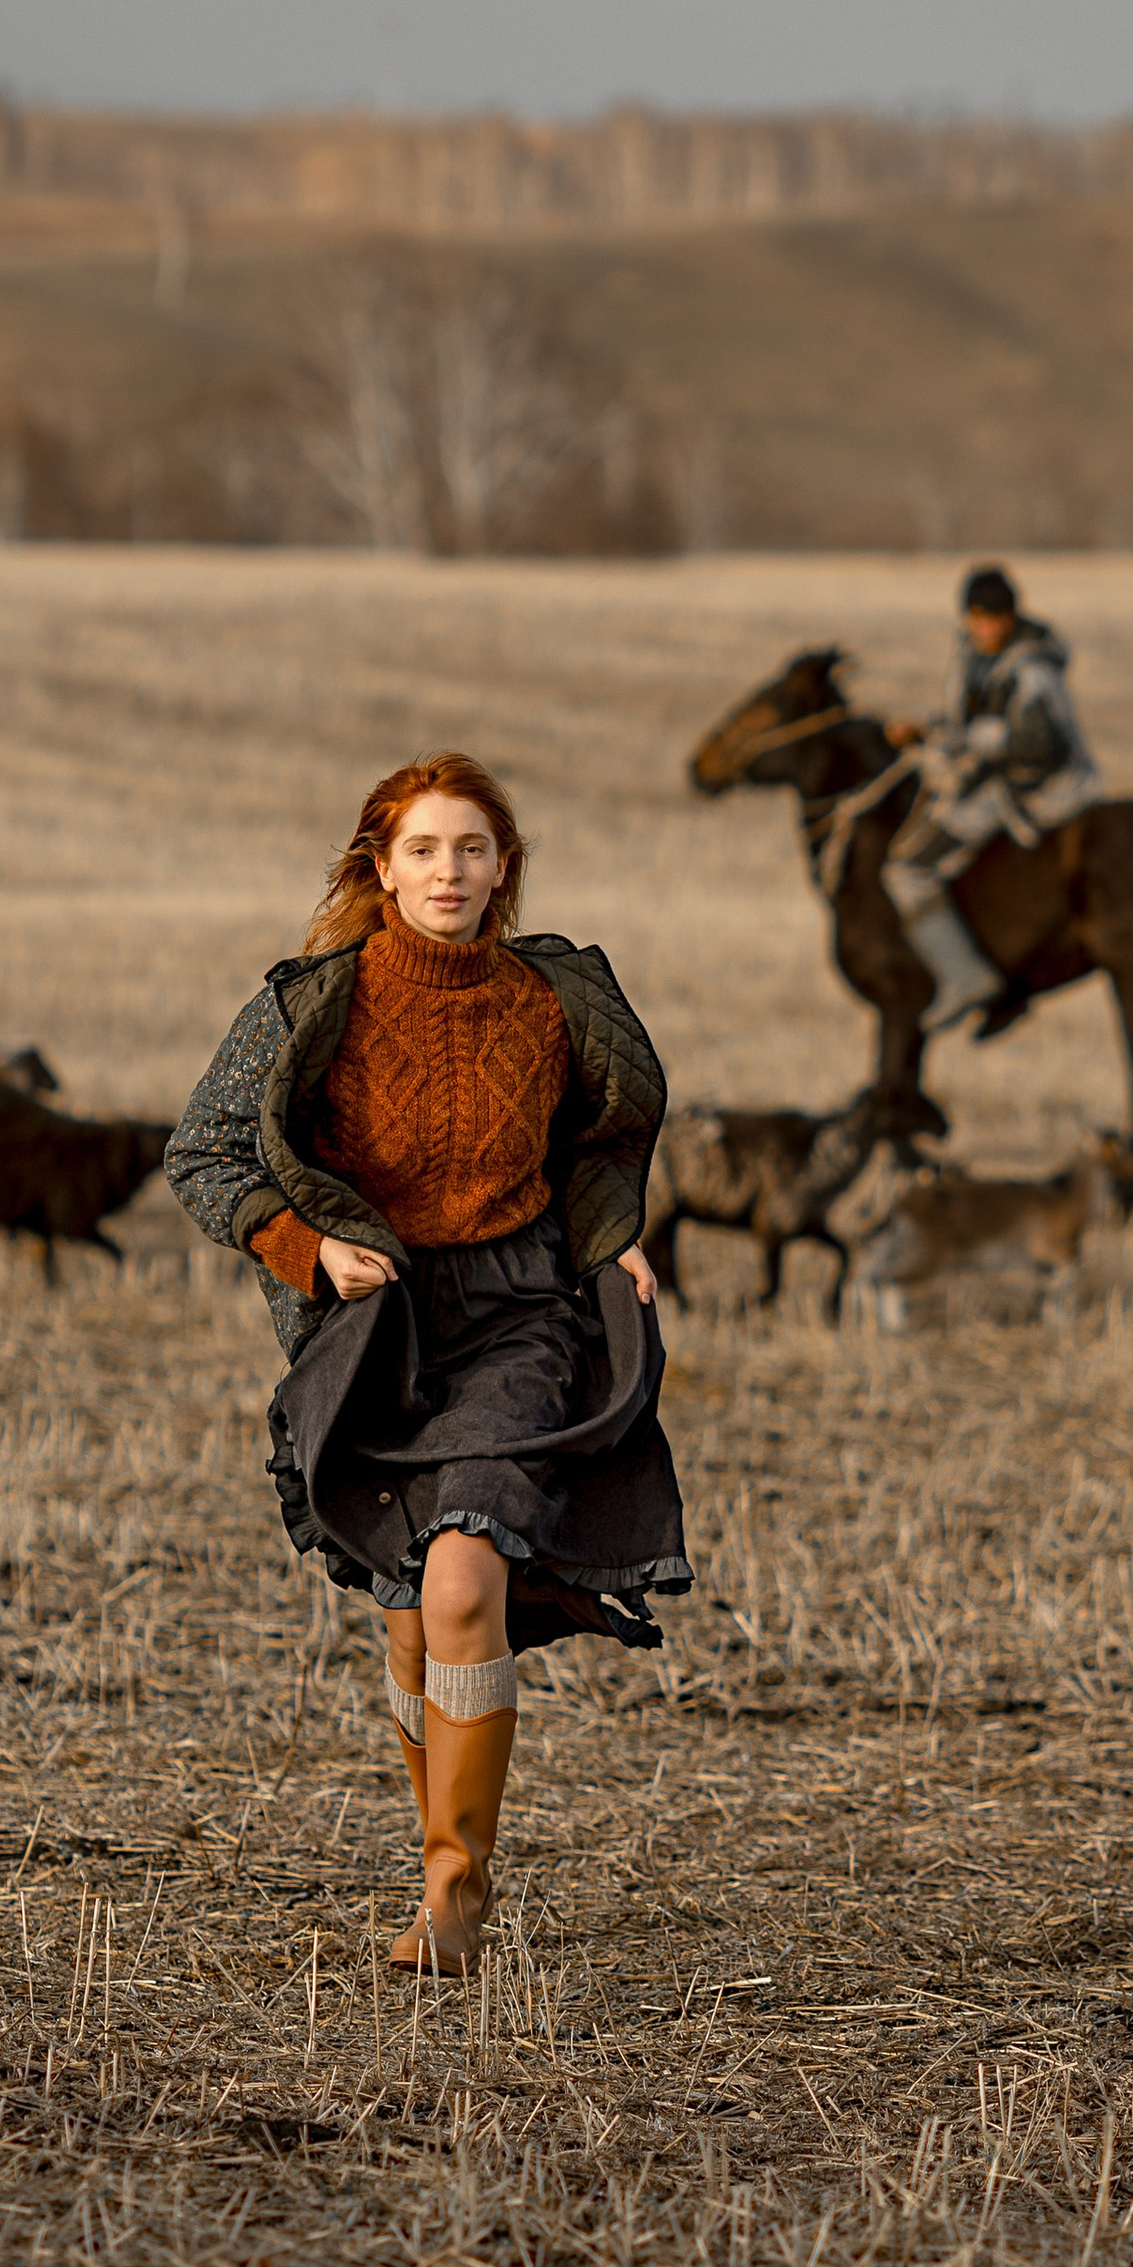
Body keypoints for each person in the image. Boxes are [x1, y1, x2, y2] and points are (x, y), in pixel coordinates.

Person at [165, 752, 689, 1980]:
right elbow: (201, 1151)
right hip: (379, 1329)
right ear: (379, 866)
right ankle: (432, 1863)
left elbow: (607, 1139)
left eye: (471, 848)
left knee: (461, 1583)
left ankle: (456, 1889)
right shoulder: (313, 1004)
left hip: (521, 1318)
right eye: (422, 849)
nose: (448, 871)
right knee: (409, 1616)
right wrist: (303, 1247)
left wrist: (616, 1242)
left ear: (505, 866)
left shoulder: (563, 995)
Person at [880, 564, 1104, 1034]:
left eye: (995, 618)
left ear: (1011, 617)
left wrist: (963, 743)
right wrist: (925, 730)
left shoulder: (1034, 670)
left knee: (907, 867)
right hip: (1003, 778)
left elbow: (1038, 744)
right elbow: (968, 723)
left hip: (1040, 791)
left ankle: (965, 977)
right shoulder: (972, 657)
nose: (986, 628)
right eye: (978, 618)